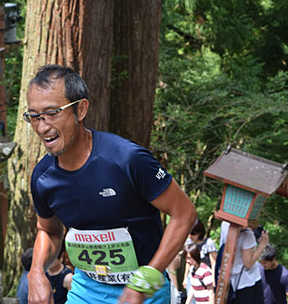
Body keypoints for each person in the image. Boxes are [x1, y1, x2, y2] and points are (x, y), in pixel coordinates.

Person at [24, 65, 197, 304]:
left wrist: (147, 278)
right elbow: (49, 230)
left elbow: (184, 212)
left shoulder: (127, 159)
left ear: (81, 109)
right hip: (86, 286)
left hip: (144, 288)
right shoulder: (43, 177)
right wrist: (35, 271)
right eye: (34, 116)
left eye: (52, 113)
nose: (42, 126)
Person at [219, 221, 269, 304]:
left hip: (230, 281)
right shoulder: (247, 235)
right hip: (248, 282)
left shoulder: (225, 225)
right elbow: (248, 263)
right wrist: (262, 245)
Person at [182, 219, 218, 303]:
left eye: (193, 234)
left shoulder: (208, 243)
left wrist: (213, 278)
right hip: (193, 275)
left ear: (199, 232)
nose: (190, 236)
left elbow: (213, 262)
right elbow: (188, 262)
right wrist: (185, 277)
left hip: (205, 277)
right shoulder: (189, 242)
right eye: (189, 233)